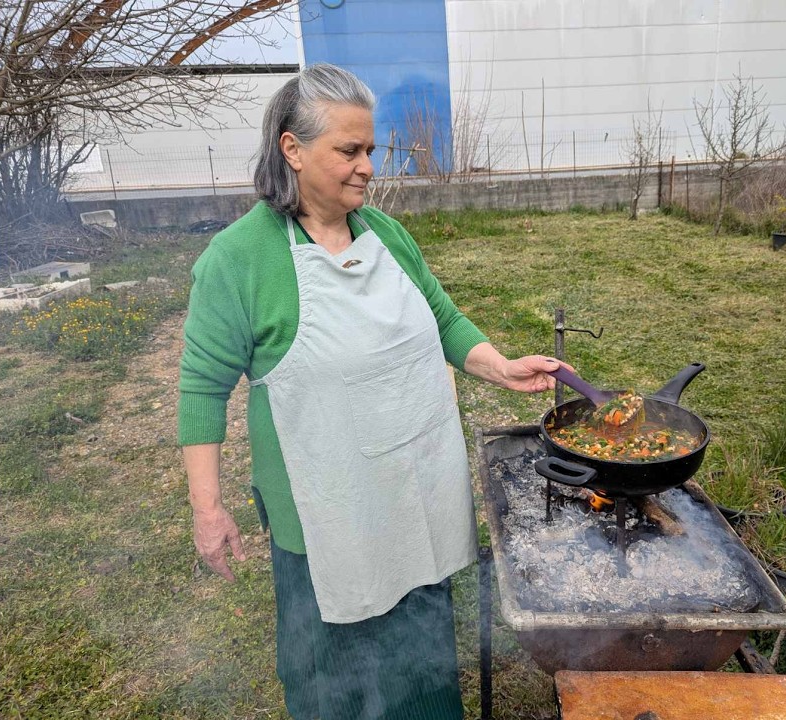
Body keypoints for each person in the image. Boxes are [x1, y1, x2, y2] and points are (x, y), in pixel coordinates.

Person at [178, 63, 568, 719]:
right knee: (338, 678)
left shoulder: (384, 234)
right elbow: (201, 388)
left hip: (411, 488)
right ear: (293, 150)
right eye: (349, 151)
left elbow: (441, 317)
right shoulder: (239, 258)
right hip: (324, 510)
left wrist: (498, 366)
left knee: (418, 662)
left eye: (371, 150)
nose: (367, 167)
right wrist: (207, 507)